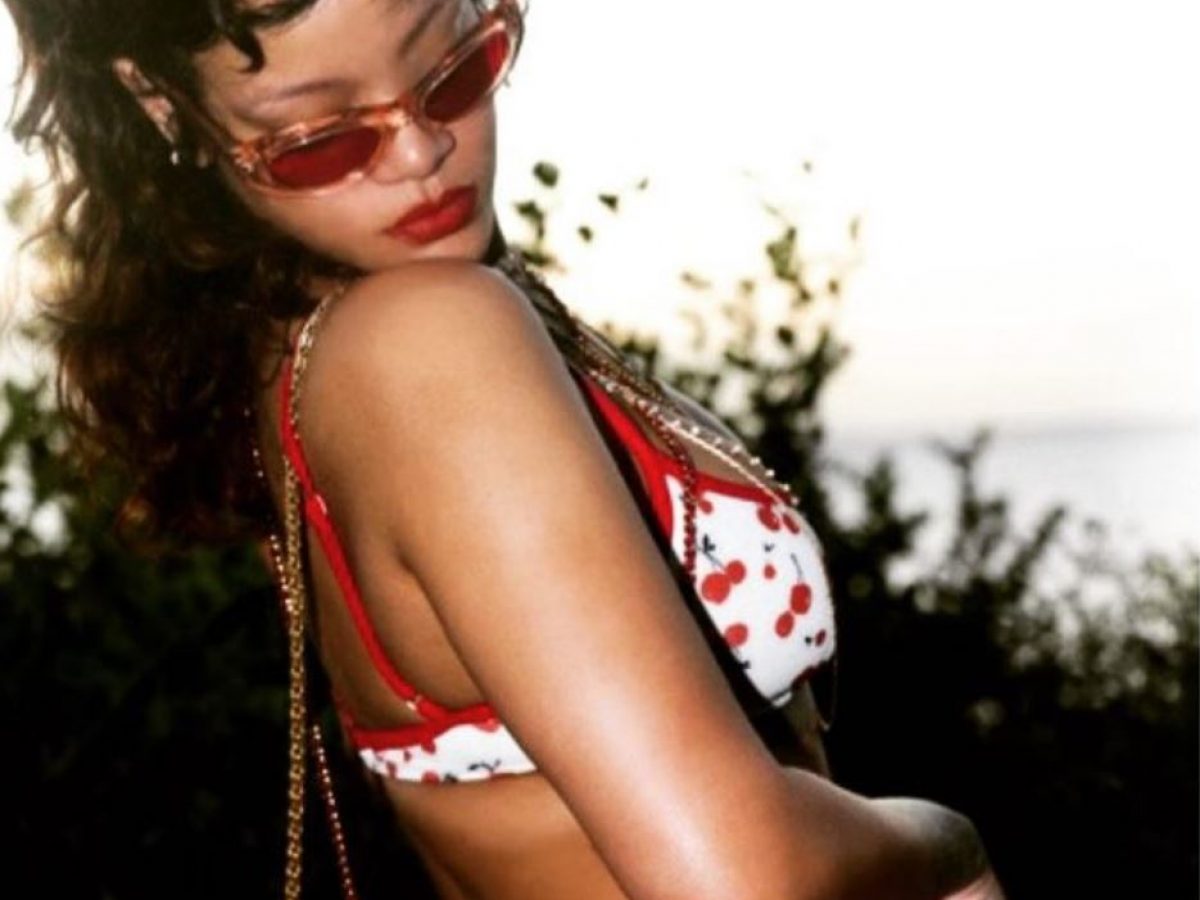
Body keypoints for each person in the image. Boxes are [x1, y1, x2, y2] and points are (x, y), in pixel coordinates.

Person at [3, 0, 1005, 897]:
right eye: (321, 141)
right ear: (166, 110)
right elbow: (740, 882)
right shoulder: (429, 341)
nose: (420, 152)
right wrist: (950, 846)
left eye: (456, 72)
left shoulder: (308, 351)